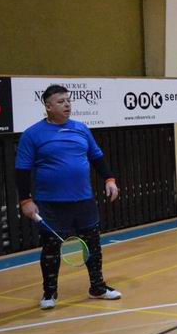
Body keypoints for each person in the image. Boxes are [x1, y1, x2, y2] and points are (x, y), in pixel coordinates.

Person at [16, 85, 122, 310]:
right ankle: (49, 293)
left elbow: (97, 157)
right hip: (51, 204)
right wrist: (25, 200)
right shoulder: (32, 134)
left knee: (93, 245)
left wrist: (109, 179)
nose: (67, 105)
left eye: (68, 100)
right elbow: (22, 170)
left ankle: (97, 287)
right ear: (48, 106)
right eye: (61, 101)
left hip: (83, 200)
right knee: (51, 249)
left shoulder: (81, 129)